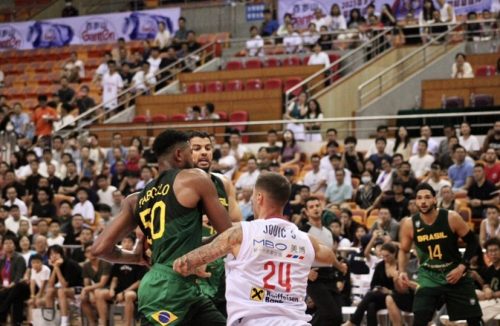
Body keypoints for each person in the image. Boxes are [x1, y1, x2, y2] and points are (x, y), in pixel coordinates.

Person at [92, 129, 232, 325]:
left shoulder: (135, 199)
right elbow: (229, 234)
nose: (194, 157)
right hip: (167, 288)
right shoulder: (195, 178)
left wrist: (134, 258)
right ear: (179, 154)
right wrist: (200, 256)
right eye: (191, 151)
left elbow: (99, 248)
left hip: (177, 287)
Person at [174, 172, 346, 326]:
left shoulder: (240, 233)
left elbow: (184, 263)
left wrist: (193, 263)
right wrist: (340, 265)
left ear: (259, 198)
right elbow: (328, 255)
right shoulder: (306, 240)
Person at [398, 183, 483, 326]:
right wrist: (401, 271)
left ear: (434, 200)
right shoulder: (409, 224)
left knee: (474, 320)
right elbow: (403, 250)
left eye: (427, 197)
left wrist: (461, 267)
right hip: (429, 276)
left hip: (455, 274)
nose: (423, 201)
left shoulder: (451, 217)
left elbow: (473, 242)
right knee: (419, 319)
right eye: (419, 198)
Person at [301, 196, 348, 326]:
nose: (315, 209)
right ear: (306, 212)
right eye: (311, 207)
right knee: (331, 314)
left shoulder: (328, 232)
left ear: (322, 207)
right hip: (314, 277)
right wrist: (306, 272)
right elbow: (295, 255)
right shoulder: (303, 231)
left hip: (330, 275)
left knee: (336, 315)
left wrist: (339, 266)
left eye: (317, 205)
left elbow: (329, 255)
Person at [0, 235, 29, 326]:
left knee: (15, 289)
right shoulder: (2, 260)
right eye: (6, 243)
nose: (8, 245)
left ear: (15, 245)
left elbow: (19, 277)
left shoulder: (19, 258)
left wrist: (9, 286)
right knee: (13, 296)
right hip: (6, 288)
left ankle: (3, 310)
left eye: (10, 243)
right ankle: (12, 320)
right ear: (2, 245)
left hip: (19, 287)